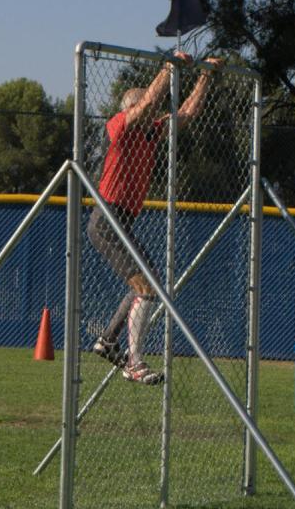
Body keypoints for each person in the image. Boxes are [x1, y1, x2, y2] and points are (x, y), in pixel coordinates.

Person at [87, 50, 221, 385]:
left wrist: (206, 75)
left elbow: (188, 113)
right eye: (144, 110)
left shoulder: (150, 133)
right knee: (148, 288)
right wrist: (168, 67)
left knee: (146, 286)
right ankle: (133, 361)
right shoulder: (119, 127)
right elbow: (147, 104)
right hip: (107, 219)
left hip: (122, 221)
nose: (151, 116)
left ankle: (109, 340)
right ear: (130, 110)